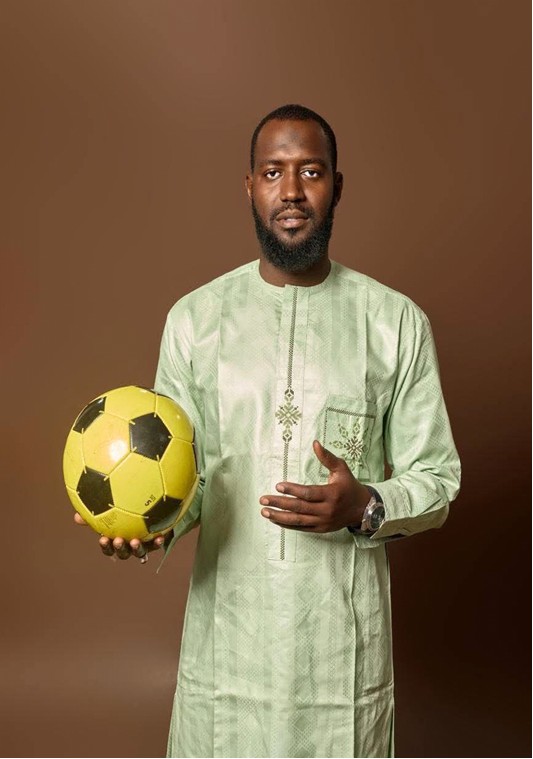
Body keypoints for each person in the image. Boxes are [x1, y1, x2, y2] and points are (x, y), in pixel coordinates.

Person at [75, 104, 461, 758]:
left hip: (340, 657)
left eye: (310, 171)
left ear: (337, 186)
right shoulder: (195, 321)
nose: (291, 191)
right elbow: (183, 482)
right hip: (228, 652)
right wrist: (149, 526)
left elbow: (438, 479)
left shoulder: (395, 323)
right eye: (273, 172)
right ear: (249, 186)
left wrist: (365, 504)